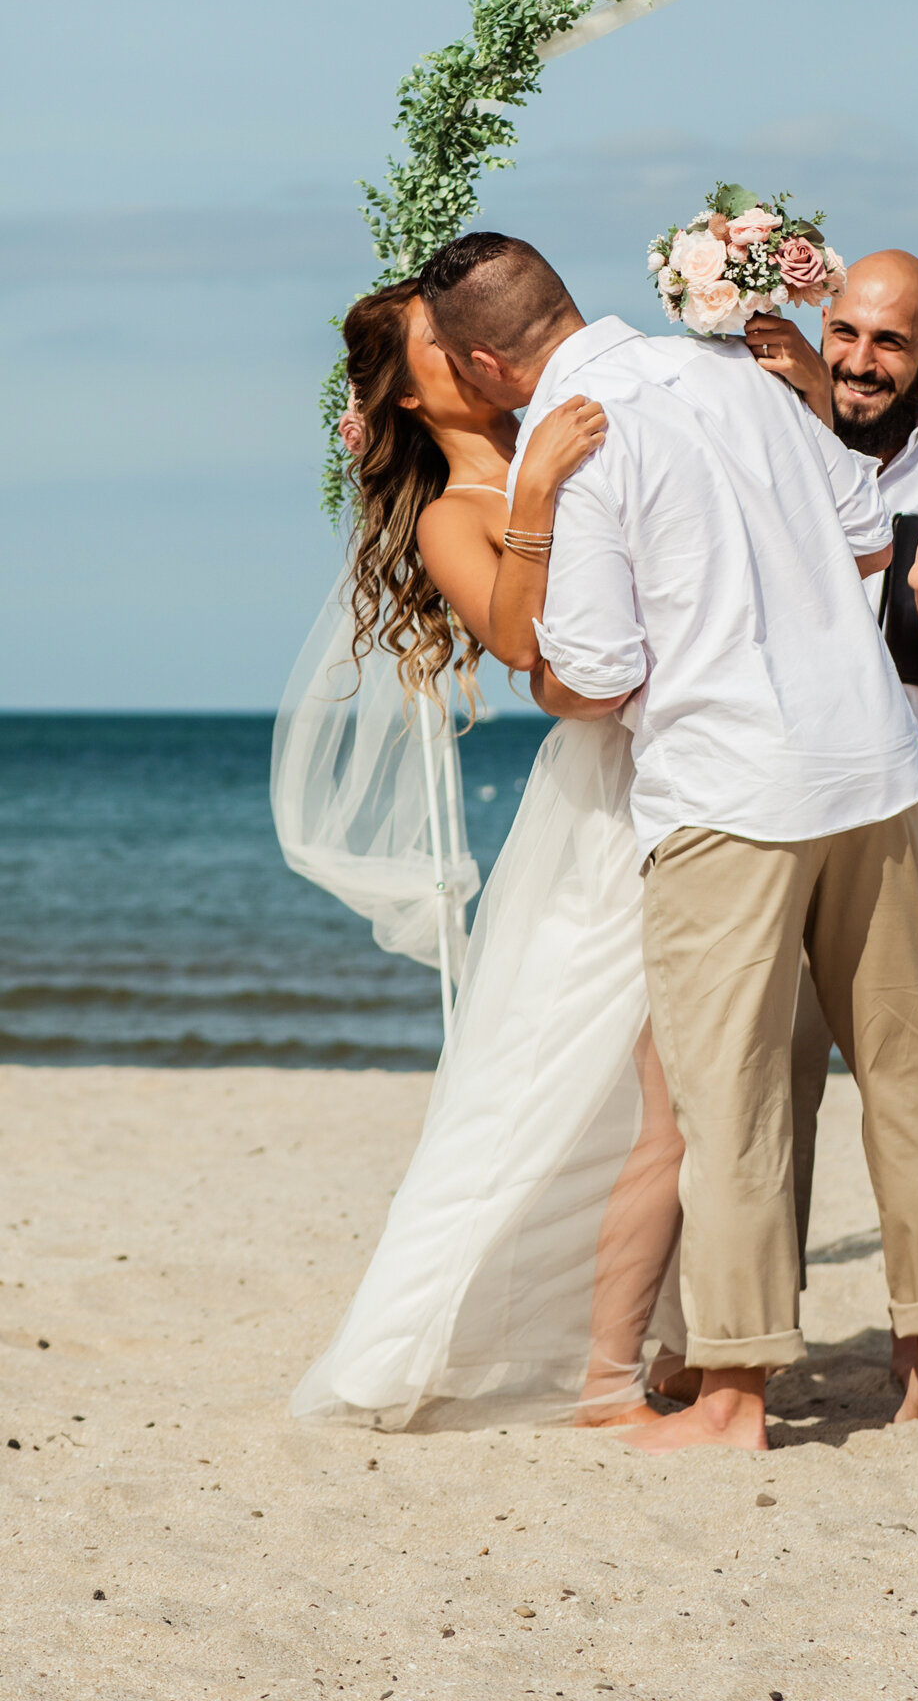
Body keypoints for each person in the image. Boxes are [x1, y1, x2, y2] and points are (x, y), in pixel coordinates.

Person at [419, 230, 918, 1454]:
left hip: (731, 795)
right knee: (908, 1073)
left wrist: (559, 690)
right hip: (875, 769)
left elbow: (595, 668)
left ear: (482, 361)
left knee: (724, 1099)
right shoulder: (734, 368)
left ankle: (733, 1392)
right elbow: (863, 534)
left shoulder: (574, 429)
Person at [286, 277, 689, 1430]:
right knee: (539, 1068)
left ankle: (662, 1337)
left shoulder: (565, 406)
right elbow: (525, 649)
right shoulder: (454, 508)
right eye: (435, 349)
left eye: (465, 340)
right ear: (409, 394)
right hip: (602, 793)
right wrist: (545, 487)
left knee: (672, 1077)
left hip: (675, 750)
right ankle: (395, 1350)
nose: (465, 356)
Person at [746, 251, 918, 1363]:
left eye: (892, 343)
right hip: (790, 790)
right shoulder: (765, 431)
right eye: (849, 334)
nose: (863, 362)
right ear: (824, 324)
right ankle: (751, 1338)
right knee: (767, 1071)